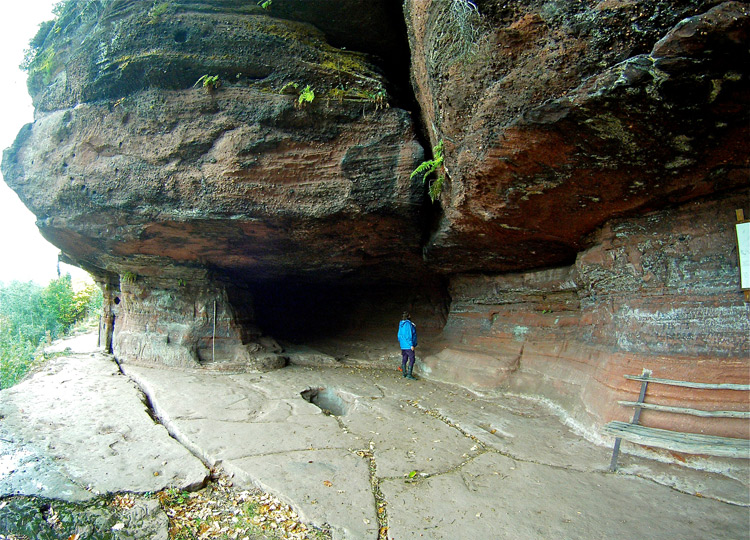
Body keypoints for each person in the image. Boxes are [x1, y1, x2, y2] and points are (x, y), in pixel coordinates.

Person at [397, 311, 418, 380]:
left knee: (405, 357)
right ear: (408, 316)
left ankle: (404, 373)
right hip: (408, 345)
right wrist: (411, 345)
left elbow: (399, 335)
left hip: (403, 345)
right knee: (412, 359)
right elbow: (408, 335)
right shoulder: (408, 324)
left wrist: (401, 343)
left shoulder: (401, 324)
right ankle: (409, 374)